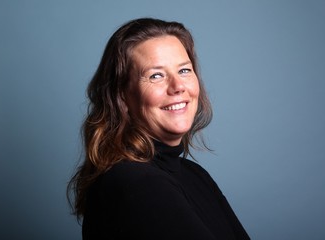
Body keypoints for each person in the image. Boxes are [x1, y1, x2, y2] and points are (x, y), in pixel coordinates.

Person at [68, 17, 250, 240]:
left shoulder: (195, 175)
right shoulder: (135, 183)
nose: (178, 87)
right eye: (156, 75)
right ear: (122, 97)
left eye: (184, 70)